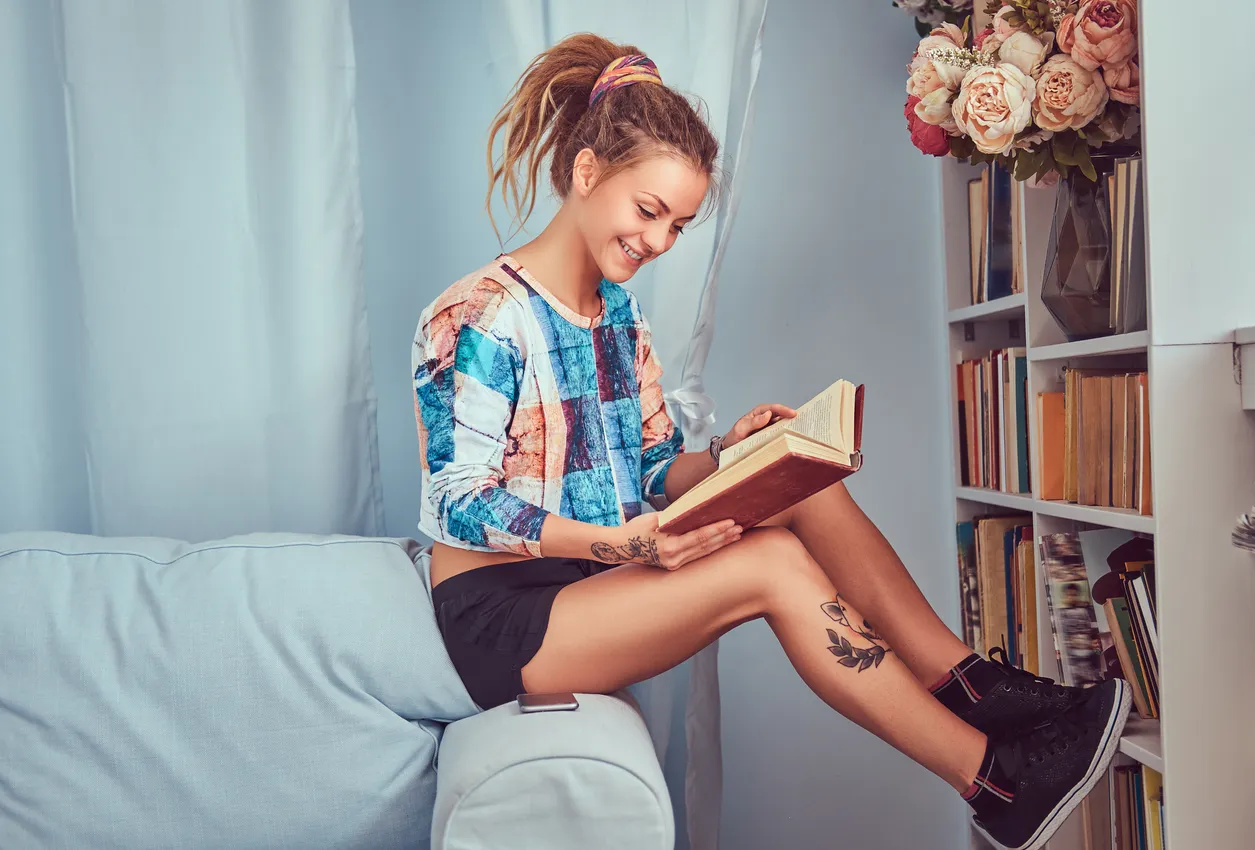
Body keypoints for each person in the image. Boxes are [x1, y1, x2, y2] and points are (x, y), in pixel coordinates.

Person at [413, 33, 1130, 850]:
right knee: (771, 565)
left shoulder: (619, 320)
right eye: (649, 212)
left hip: (587, 580)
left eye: (679, 226)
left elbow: (650, 470)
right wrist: (620, 545)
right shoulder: (478, 314)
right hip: (501, 621)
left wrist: (727, 459)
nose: (659, 242)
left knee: (805, 483)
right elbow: (457, 502)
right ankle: (998, 781)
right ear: (586, 173)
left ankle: (973, 686)